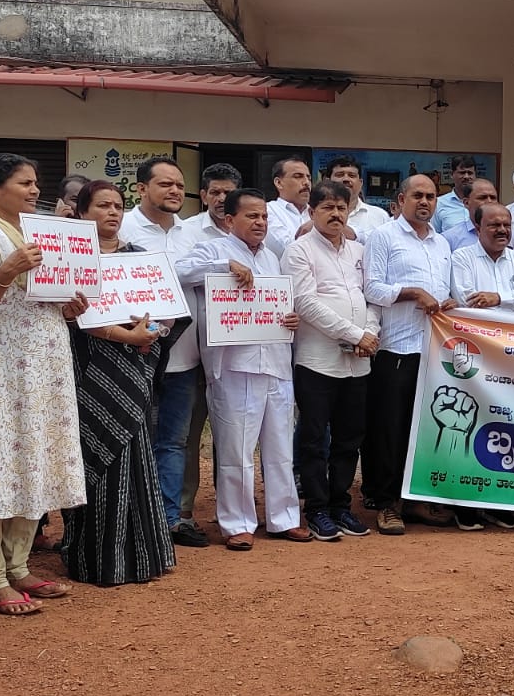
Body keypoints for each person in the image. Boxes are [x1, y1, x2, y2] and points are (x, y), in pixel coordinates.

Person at [0, 153, 88, 614]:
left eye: (35, 183)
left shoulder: (39, 231)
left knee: (37, 458)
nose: (34, 191)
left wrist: (69, 306)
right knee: (2, 464)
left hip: (45, 365)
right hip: (5, 366)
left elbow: (44, 298)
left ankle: (20, 564)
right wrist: (4, 273)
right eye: (24, 183)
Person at [176, 190, 310, 550]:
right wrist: (224, 267)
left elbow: (279, 302)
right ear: (229, 219)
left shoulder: (272, 256)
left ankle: (284, 518)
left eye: (264, 216)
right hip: (234, 366)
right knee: (236, 450)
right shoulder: (213, 250)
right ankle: (237, 522)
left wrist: (291, 318)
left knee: (280, 448)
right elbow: (179, 272)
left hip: (276, 364)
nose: (260, 222)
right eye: (251, 216)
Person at [63, 181, 175, 584]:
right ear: (81, 212)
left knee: (136, 450)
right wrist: (126, 335)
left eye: (117, 206)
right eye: (102, 205)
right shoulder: (71, 259)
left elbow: (166, 311)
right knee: (93, 451)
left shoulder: (140, 258)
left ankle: (142, 556)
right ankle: (94, 557)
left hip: (135, 365)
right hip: (89, 367)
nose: (112, 212)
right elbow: (74, 316)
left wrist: (152, 333)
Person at [118, 157, 209, 549]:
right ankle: (130, 520)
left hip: (184, 358)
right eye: (165, 184)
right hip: (132, 355)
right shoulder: (122, 228)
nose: (174, 191)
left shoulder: (194, 234)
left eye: (179, 185)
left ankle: (168, 520)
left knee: (174, 441)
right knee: (130, 440)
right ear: (141, 188)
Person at [282, 179, 380, 542]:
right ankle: (317, 509)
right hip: (317, 362)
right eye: (327, 208)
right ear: (311, 212)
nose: (336, 214)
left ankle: (341, 506)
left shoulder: (359, 251)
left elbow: (372, 299)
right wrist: (355, 334)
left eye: (342, 207)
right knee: (313, 439)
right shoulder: (299, 251)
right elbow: (305, 303)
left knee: (349, 438)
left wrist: (369, 333)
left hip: (358, 362)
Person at [364, 175, 459, 534]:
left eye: (431, 196)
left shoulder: (441, 243)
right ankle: (387, 504)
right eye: (417, 195)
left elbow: (446, 292)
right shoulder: (384, 236)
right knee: (390, 429)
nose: (425, 202)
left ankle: (415, 499)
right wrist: (414, 292)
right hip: (397, 348)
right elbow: (372, 288)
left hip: (433, 351)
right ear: (401, 199)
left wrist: (448, 303)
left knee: (424, 430)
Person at [173, 163, 240, 531]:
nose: (221, 198)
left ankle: (230, 508)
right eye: (215, 192)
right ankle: (183, 508)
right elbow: (180, 272)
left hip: (235, 353)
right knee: (188, 431)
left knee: (232, 434)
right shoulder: (187, 231)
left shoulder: (256, 234)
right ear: (203, 196)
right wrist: (224, 265)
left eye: (228, 193)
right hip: (191, 348)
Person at [451, 203, 514, 316]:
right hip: (478, 326)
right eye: (495, 225)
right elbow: (467, 300)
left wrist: (499, 298)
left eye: (507, 225)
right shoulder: (462, 258)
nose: (502, 230)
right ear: (478, 228)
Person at [327, 156, 387, 242]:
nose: (346, 179)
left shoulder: (380, 216)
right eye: (340, 175)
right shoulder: (314, 215)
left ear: (360, 183)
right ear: (327, 181)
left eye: (352, 175)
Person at [264, 156, 313, 255]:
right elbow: (287, 249)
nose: (306, 182)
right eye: (298, 176)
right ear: (279, 183)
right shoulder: (267, 210)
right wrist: (318, 227)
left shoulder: (318, 211)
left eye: (308, 177)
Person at [443, 178, 500, 252]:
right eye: (482, 198)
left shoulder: (505, 234)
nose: (489, 201)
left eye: (493, 198)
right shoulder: (450, 238)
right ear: (466, 203)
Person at [431, 156, 479, 233]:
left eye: (470, 173)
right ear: (452, 174)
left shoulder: (483, 202)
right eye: (462, 173)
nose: (466, 177)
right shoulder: (439, 204)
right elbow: (435, 234)